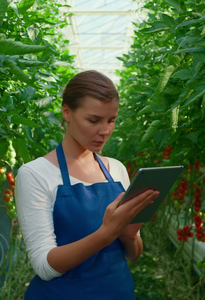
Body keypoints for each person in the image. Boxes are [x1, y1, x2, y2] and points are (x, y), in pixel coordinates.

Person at [15, 70, 160, 299]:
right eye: (93, 120)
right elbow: (44, 266)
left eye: (111, 120)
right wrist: (106, 233)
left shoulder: (117, 170)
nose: (105, 131)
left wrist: (130, 236)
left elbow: (132, 256)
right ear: (67, 112)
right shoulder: (35, 174)